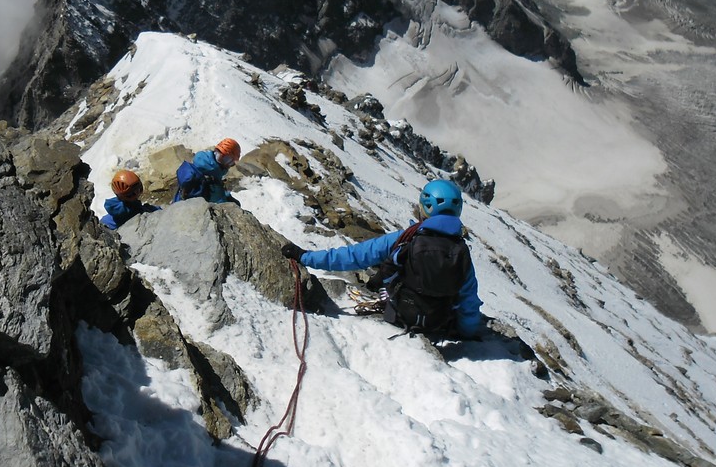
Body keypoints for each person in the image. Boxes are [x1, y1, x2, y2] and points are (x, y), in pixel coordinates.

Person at [281, 179, 485, 338]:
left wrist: (305, 257)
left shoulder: (406, 238)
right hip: (438, 322)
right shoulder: (460, 251)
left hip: (399, 315)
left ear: (425, 207)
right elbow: (469, 300)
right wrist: (468, 332)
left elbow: (354, 256)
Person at [172, 138, 242, 204]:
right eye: (228, 160)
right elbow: (217, 201)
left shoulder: (201, 166)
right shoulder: (212, 176)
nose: (229, 165)